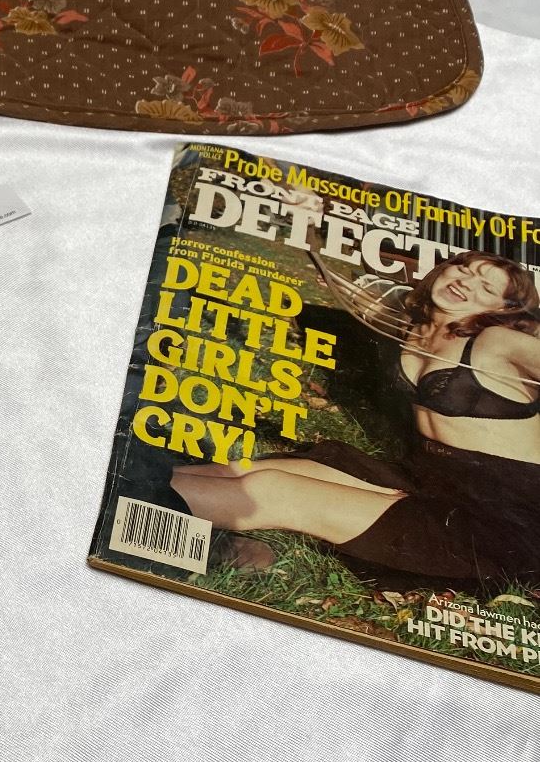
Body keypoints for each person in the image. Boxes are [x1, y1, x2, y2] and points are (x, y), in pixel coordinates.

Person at [170, 251, 540, 595]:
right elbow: (345, 284)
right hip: (431, 481)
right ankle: (144, 486)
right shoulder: (411, 325)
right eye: (463, 268)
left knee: (273, 491)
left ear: (505, 310)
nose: (466, 282)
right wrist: (310, 222)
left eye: (486, 287)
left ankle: (146, 513)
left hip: (500, 521)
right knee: (244, 471)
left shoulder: (497, 342)